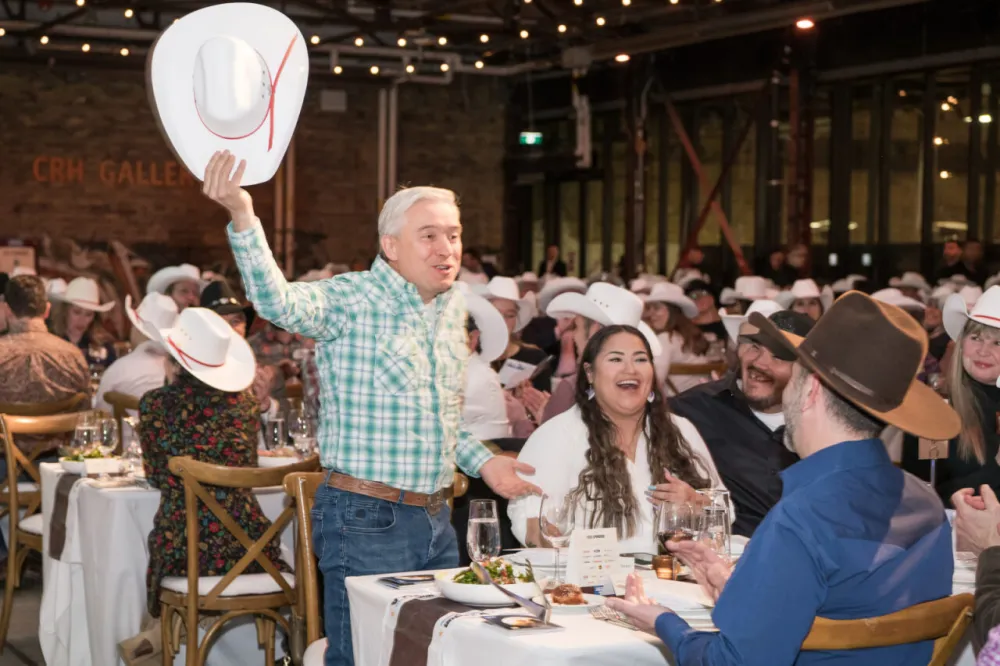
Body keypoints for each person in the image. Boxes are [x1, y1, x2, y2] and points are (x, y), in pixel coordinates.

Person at [204, 150, 538, 666]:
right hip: (366, 518)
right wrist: (244, 216)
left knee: (430, 654)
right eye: (428, 235)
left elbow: (437, 418)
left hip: (435, 516)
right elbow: (278, 304)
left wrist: (485, 461)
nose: (446, 247)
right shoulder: (352, 298)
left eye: (453, 234)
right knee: (362, 657)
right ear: (391, 246)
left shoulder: (450, 308)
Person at [608, 291, 961, 665]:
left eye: (794, 377)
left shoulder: (801, 520)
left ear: (810, 390)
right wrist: (740, 588)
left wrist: (664, 622)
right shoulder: (927, 505)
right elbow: (847, 599)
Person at [508, 325, 723, 554]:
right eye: (616, 359)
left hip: (676, 578)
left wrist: (696, 503)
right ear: (590, 373)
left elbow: (722, 513)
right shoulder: (556, 435)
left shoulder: (681, 431)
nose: (630, 369)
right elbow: (530, 524)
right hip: (592, 585)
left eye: (640, 360)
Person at [139, 308, 287, 623]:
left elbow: (156, 476)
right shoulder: (246, 405)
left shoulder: (154, 404)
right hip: (250, 549)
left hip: (185, 549)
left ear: (175, 358)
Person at [669, 309, 812, 537]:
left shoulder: (823, 424)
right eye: (755, 347)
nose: (760, 363)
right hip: (722, 561)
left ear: (806, 371)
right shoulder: (692, 410)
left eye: (779, 356)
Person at [903, 287, 1000, 502]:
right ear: (961, 343)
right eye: (976, 337)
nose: (983, 351)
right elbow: (924, 496)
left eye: (997, 342)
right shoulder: (933, 410)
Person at [539, 283, 662, 423]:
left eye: (576, 327)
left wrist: (535, 420)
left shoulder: (573, 387)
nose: (574, 336)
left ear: (594, 330)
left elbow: (552, 442)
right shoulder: (649, 385)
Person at [0, 275, 89, 407]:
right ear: (47, 310)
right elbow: (86, 411)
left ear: (7, 310)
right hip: (63, 428)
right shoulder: (74, 356)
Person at [95, 293, 178, 415]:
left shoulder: (120, 368)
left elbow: (100, 412)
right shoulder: (180, 372)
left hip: (127, 434)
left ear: (138, 329)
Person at [642, 283, 712, 395]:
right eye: (650, 308)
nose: (651, 314)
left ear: (672, 310)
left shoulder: (665, 339)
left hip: (676, 406)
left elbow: (654, 380)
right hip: (698, 402)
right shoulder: (685, 337)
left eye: (657, 308)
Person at [49, 277, 118, 370]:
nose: (82, 320)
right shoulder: (49, 342)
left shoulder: (104, 346)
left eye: (88, 314)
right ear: (65, 311)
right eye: (77, 312)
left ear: (94, 317)